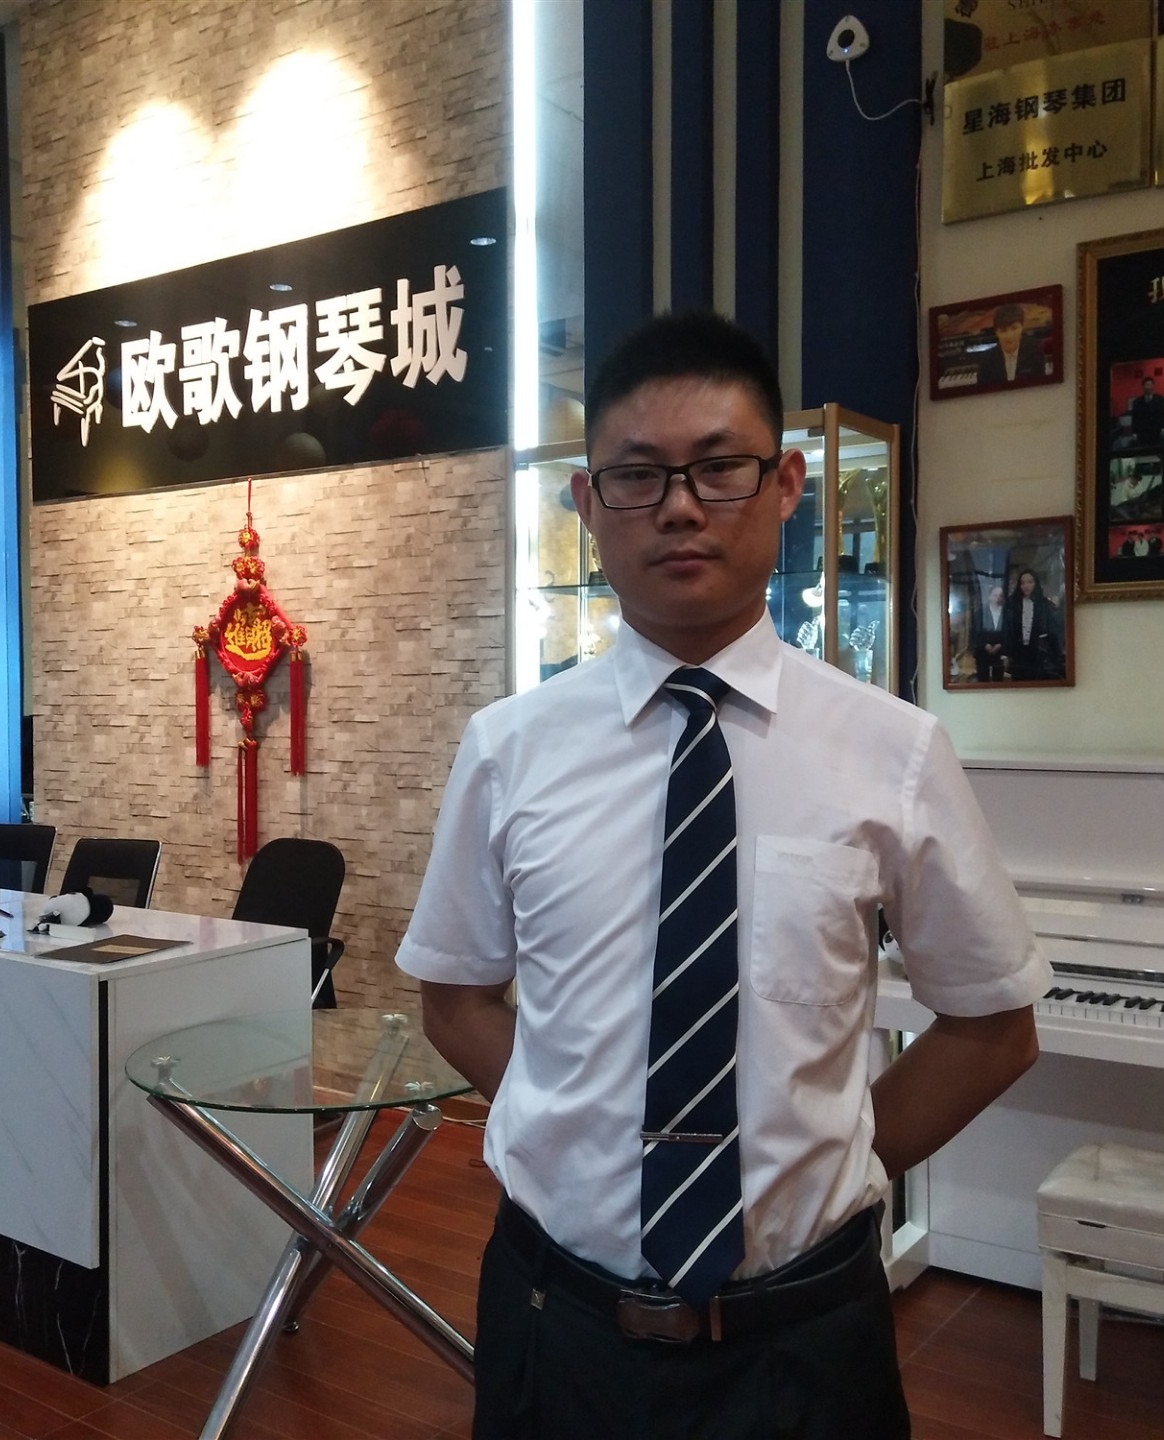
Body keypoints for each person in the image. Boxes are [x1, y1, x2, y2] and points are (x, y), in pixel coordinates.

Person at [398, 311, 1048, 1440]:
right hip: (558, 1322)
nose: (681, 506)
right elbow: (455, 998)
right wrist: (579, 1125)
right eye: (637, 476)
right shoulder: (508, 750)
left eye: (719, 467)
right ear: (586, 502)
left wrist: (831, 1158)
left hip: (807, 1335)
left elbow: (994, 1026)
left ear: (787, 485)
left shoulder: (893, 751)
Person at [1001, 569, 1064, 680]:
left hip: (1038, 652)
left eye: (1030, 582)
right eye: (1023, 583)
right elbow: (1007, 629)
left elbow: (1054, 630)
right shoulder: (1012, 604)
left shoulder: (1044, 604)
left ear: (1036, 583)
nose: (1026, 586)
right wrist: (1006, 653)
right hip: (1017, 652)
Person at [975, 302, 1044, 386]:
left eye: (1014, 328)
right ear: (996, 332)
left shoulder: (1035, 349)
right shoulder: (986, 359)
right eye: (1003, 330)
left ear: (1022, 327)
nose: (1009, 336)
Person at [971, 579, 1008, 681]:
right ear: (989, 596)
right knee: (983, 680)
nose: (998, 598)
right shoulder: (980, 612)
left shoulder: (1007, 613)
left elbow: (1009, 632)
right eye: (995, 595)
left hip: (1000, 650)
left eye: (1000, 595)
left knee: (998, 680)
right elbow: (974, 632)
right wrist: (984, 644)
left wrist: (1000, 645)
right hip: (982, 651)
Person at [1127, 376, 1164, 447]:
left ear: (1153, 386)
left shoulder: (1160, 399)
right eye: (1146, 385)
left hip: (1156, 432)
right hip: (1142, 434)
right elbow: (1135, 418)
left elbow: (1162, 414)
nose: (1148, 387)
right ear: (1143, 387)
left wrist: (1163, 427)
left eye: (1150, 385)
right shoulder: (1137, 402)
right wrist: (1134, 432)